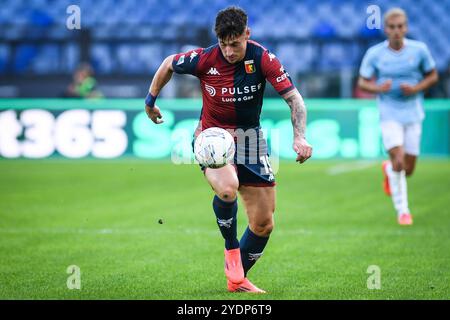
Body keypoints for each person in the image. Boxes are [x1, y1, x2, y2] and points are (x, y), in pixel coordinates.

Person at [144, 6, 312, 293]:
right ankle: (231, 251)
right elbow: (169, 63)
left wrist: (300, 137)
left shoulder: (263, 58)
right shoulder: (204, 58)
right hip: (211, 137)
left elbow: (295, 100)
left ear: (247, 34)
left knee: (263, 223)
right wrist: (150, 102)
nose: (230, 51)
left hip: (250, 139)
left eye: (235, 44)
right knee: (227, 188)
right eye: (224, 44)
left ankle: (238, 278)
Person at [358, 8, 438, 225]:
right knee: (400, 161)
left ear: (406, 27)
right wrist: (378, 88)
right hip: (389, 112)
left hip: (413, 111)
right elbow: (362, 82)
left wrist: (417, 88)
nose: (396, 31)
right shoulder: (375, 54)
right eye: (392, 27)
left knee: (408, 169)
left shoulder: (419, 50)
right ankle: (403, 210)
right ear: (386, 29)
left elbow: (433, 75)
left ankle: (388, 168)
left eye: (400, 26)